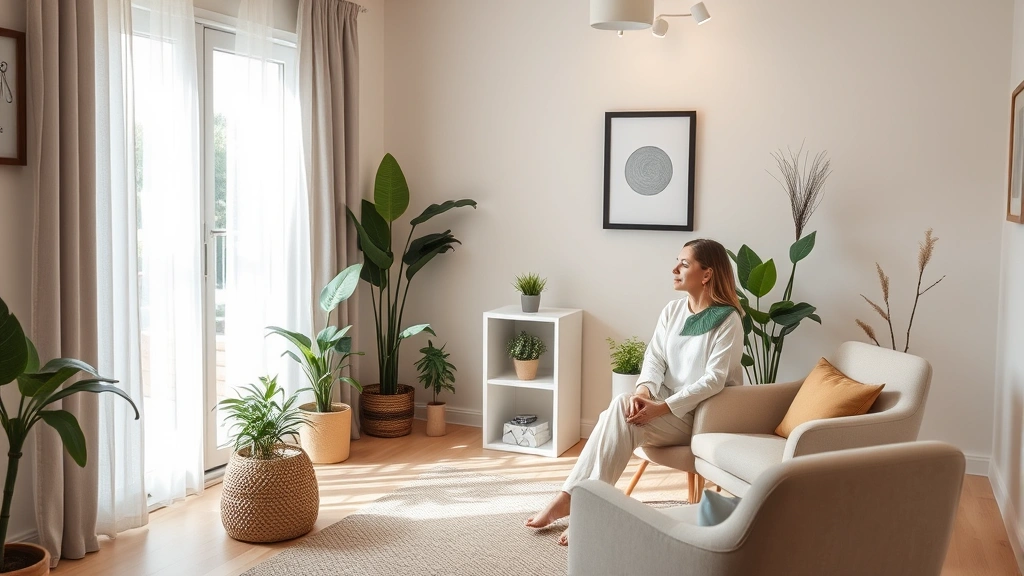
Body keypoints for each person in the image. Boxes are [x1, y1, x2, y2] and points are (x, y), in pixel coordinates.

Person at [524, 238, 745, 545]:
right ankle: (576, 500)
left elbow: (713, 381)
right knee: (624, 405)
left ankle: (574, 500)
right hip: (665, 407)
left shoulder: (729, 320)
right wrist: (643, 393)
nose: (674, 269)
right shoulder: (673, 311)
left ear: (706, 274)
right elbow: (654, 358)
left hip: (702, 415)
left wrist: (661, 407)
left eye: (684, 263)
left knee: (617, 411)